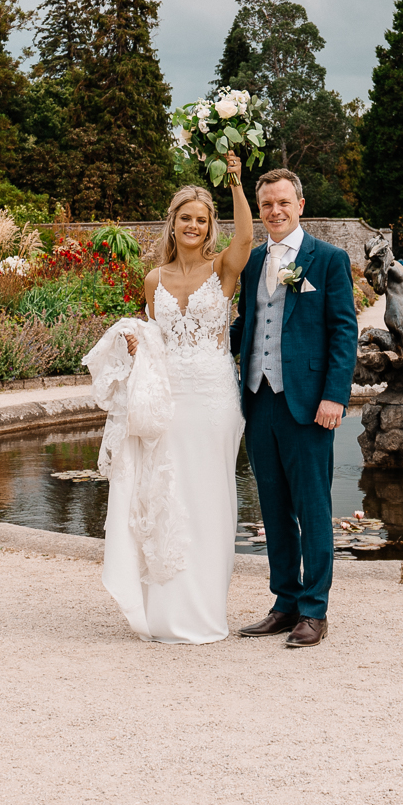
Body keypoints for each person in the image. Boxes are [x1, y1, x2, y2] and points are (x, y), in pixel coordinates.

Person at [84, 153, 253, 644]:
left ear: (209, 226)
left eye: (202, 220)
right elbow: (155, 339)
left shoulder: (223, 268)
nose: (194, 226)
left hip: (213, 399)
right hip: (169, 401)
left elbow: (246, 238)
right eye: (186, 218)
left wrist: (237, 183)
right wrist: (139, 343)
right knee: (168, 495)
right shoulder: (153, 280)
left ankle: (206, 609)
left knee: (210, 498)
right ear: (173, 223)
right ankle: (167, 610)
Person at [231, 169, 360, 648]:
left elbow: (344, 331)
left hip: (308, 403)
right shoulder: (252, 261)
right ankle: (283, 603)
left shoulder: (327, 259)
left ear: (301, 204)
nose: (275, 211)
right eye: (267, 204)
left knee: (312, 506)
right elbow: (247, 324)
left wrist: (335, 395)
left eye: (283, 202)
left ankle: (314, 610)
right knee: (273, 507)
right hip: (258, 399)